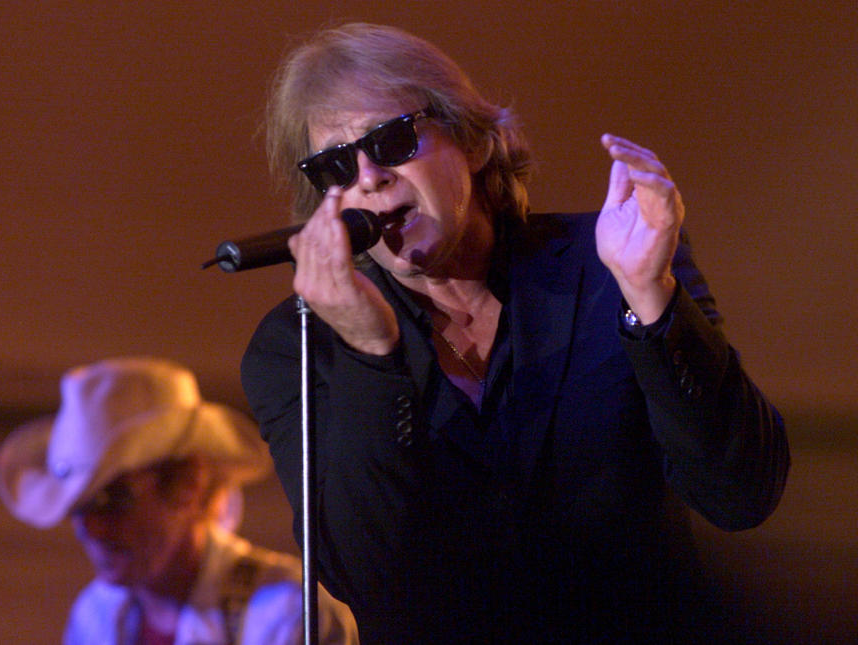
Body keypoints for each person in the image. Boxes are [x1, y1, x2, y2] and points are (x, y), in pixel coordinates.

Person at [239, 22, 789, 645]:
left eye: (391, 141)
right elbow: (367, 577)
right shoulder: (300, 344)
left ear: (473, 143)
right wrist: (371, 356)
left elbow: (743, 494)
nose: (368, 177)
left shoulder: (611, 263)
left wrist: (652, 301)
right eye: (335, 164)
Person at [0, 356, 358, 645]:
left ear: (188, 483)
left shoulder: (288, 615)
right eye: (78, 507)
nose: (90, 528)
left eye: (112, 499)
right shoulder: (97, 616)